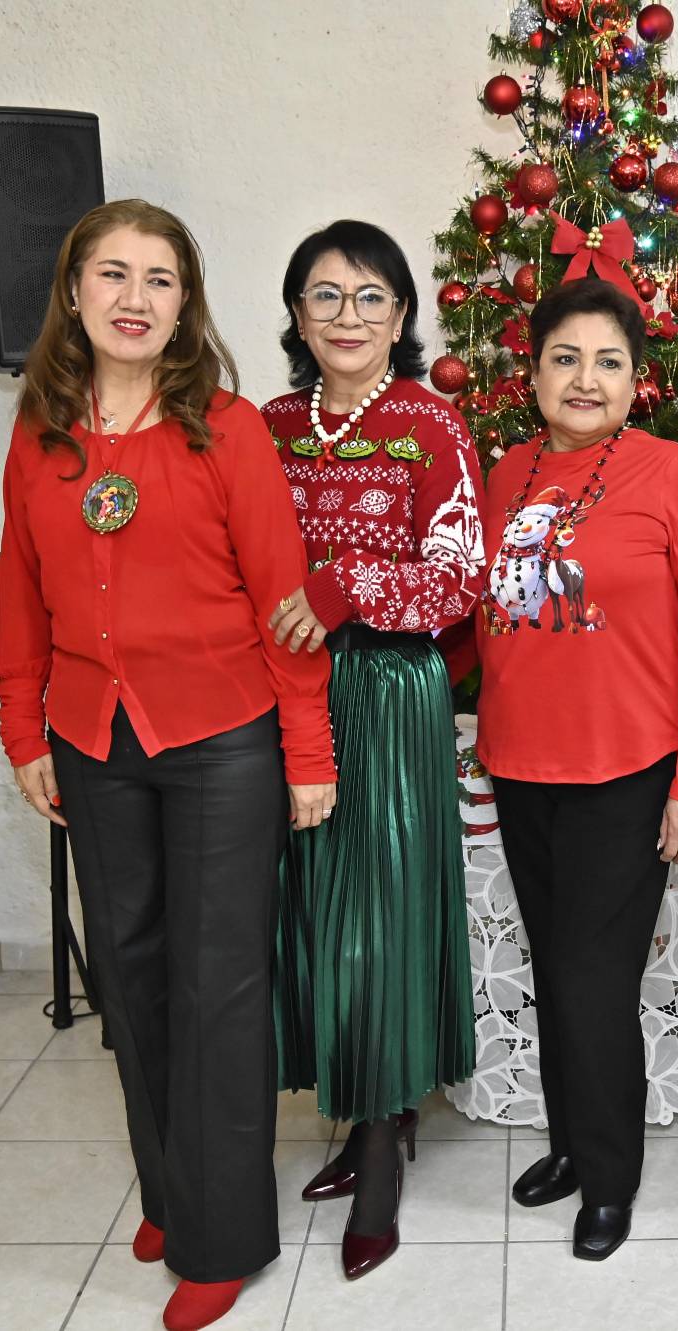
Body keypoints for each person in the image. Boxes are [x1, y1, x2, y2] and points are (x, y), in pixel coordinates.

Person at [0, 199, 334, 1331]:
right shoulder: (40, 434)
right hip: (94, 737)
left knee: (218, 981)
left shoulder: (227, 430)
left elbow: (285, 607)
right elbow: (19, 594)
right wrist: (22, 729)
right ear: (74, 292)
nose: (135, 299)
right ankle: (172, 1185)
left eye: (160, 279)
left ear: (186, 303)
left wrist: (306, 751)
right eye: (112, 275)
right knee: (129, 975)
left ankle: (220, 1234)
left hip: (221, 737)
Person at [473, 272, 678, 1261]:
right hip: (519, 765)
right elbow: (487, 618)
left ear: (637, 380)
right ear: (532, 371)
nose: (583, 378)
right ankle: (568, 1146)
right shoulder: (505, 475)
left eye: (608, 361)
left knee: (592, 980)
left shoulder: (670, 474)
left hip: (624, 771)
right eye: (563, 357)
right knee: (556, 969)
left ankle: (609, 1175)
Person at [261, 219, 483, 1280]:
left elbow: (460, 577)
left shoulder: (432, 424)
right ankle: (358, 1117)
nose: (347, 317)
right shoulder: (265, 426)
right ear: (297, 315)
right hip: (284, 696)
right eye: (324, 296)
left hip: (389, 691)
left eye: (369, 297)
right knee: (312, 909)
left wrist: (344, 584)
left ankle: (387, 1144)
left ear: (402, 315)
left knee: (382, 919)